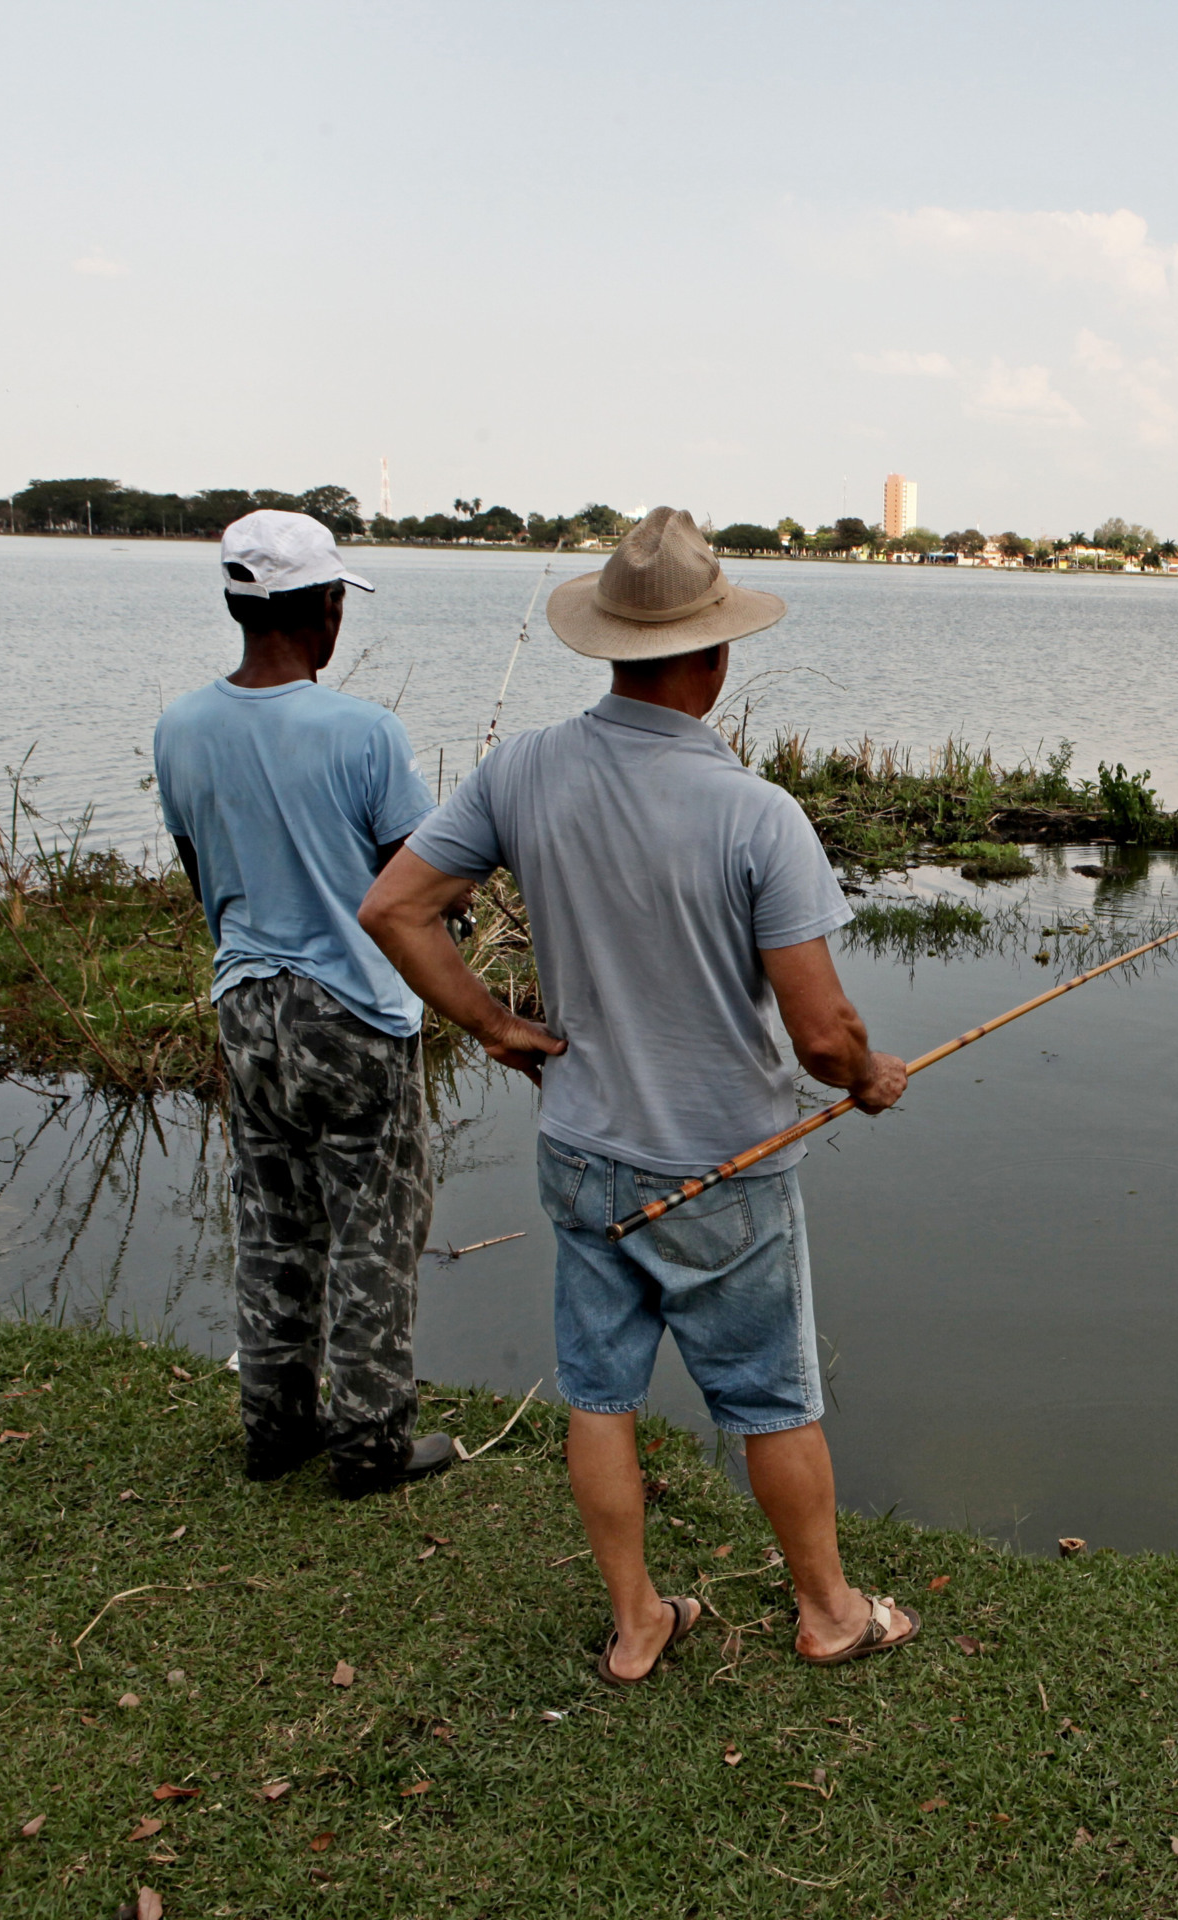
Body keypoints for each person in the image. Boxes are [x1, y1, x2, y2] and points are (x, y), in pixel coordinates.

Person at [359, 506, 919, 1681]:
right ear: (714, 660)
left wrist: (493, 1024)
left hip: (582, 1150)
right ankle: (828, 1612)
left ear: (611, 648)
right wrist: (869, 1077)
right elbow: (821, 1033)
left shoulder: (521, 769)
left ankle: (635, 1623)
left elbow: (393, 909)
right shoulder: (757, 815)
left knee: (600, 1394)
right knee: (771, 1397)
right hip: (722, 1166)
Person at [154, 509, 455, 1497]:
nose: (340, 618)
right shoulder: (365, 732)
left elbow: (205, 873)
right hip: (352, 1011)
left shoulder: (180, 728)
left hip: (246, 1004)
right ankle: (369, 1444)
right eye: (337, 600)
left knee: (274, 1222)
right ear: (319, 609)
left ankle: (274, 1423)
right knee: (375, 1231)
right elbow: (416, 888)